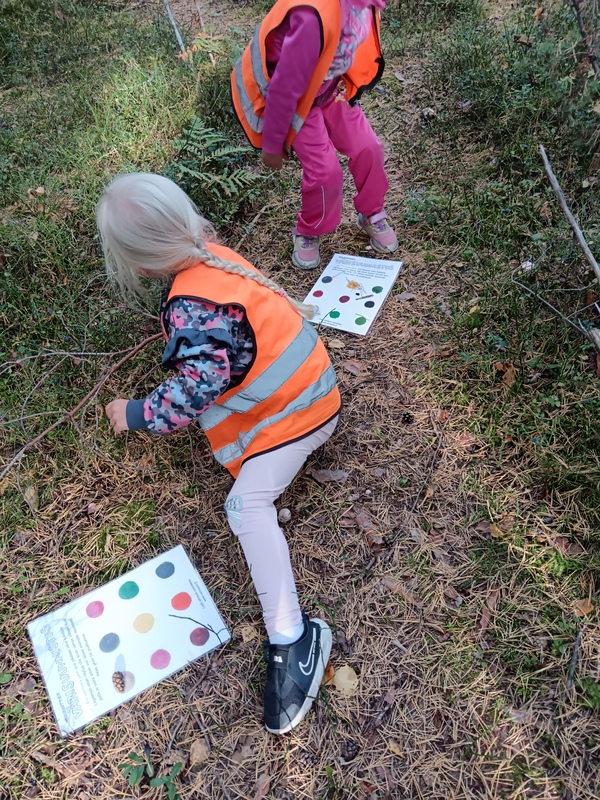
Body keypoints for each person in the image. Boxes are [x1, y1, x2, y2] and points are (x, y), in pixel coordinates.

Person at [96, 173, 341, 735]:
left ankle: (293, 637)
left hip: (301, 416)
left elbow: (190, 395)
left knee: (244, 507)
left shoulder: (191, 308)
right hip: (309, 392)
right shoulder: (214, 258)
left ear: (140, 267)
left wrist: (135, 412)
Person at [231, 0, 398, 270]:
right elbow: (284, 87)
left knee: (369, 148)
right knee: (325, 172)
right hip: (299, 100)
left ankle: (371, 211)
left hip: (332, 88)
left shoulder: (364, 5)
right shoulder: (311, 18)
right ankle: (309, 229)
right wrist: (272, 143)